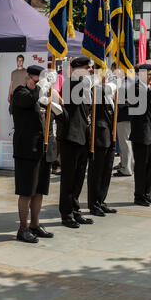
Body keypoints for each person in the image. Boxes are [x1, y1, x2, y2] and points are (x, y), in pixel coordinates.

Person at [12, 65, 56, 243]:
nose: (41, 85)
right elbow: (29, 101)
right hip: (26, 149)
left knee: (39, 191)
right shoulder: (20, 93)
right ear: (29, 78)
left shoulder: (42, 95)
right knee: (27, 191)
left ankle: (35, 225)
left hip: (42, 149)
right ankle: (22, 228)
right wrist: (40, 88)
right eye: (38, 81)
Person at [58, 56, 94, 229]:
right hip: (71, 138)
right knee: (69, 179)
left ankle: (76, 210)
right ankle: (66, 214)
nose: (90, 71)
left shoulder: (83, 86)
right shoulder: (69, 85)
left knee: (79, 177)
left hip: (83, 137)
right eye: (87, 68)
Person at [130, 64, 151, 206]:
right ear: (139, 74)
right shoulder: (135, 89)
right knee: (141, 167)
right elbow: (146, 99)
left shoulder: (150, 88)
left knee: (150, 167)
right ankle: (139, 196)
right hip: (141, 135)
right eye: (148, 74)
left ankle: (148, 194)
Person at [87, 69, 117, 217]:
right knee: (96, 172)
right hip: (99, 137)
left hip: (110, 135)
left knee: (106, 171)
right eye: (105, 74)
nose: (108, 77)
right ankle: (94, 204)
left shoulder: (109, 93)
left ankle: (101, 200)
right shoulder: (96, 90)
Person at [114, 74, 134, 176]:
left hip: (124, 115)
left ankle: (126, 168)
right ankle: (130, 166)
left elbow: (121, 101)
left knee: (125, 143)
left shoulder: (124, 83)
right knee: (128, 143)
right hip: (131, 116)